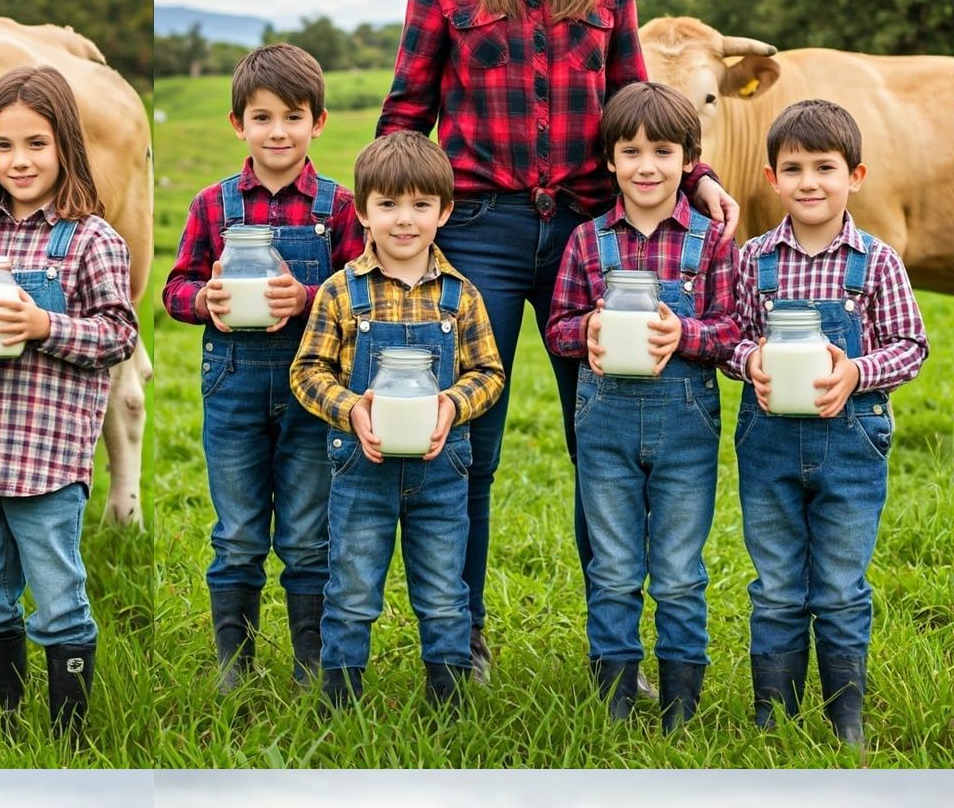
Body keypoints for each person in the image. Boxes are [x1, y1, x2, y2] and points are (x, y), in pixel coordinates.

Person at [377, 0, 737, 678]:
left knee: (605, 441)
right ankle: (458, 638)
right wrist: (382, 216)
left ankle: (618, 649)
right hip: (478, 231)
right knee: (469, 439)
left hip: (591, 236)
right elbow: (407, 106)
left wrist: (693, 174)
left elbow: (634, 97)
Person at [161, 44, 364, 688]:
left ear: (318, 123)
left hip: (314, 384)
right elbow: (174, 288)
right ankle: (235, 666)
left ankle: (311, 665)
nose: (279, 132)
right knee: (239, 533)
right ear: (238, 124)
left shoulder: (339, 208)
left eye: (293, 117)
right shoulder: (212, 206)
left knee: (307, 534)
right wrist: (205, 300)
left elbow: (362, 294)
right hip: (234, 381)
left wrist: (308, 298)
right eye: (263, 117)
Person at [0, 67, 140, 737]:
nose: (19, 161)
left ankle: (67, 734)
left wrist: (43, 325)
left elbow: (118, 335)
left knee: (57, 597)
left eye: (36, 143)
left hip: (47, 459)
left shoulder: (91, 240)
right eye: (3, 146)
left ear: (66, 148)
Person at [728, 99, 927, 748]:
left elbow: (911, 345)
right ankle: (773, 720)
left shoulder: (878, 261)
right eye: (793, 169)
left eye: (825, 167)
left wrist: (857, 372)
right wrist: (749, 360)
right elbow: (729, 338)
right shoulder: (753, 259)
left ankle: (846, 721)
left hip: (851, 443)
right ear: (771, 178)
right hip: (769, 444)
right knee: (776, 587)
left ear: (855, 177)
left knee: (840, 588)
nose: (809, 182)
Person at [546, 81, 740, 729]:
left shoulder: (710, 242)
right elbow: (558, 328)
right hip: (605, 427)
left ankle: (681, 706)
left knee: (680, 571)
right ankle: (617, 699)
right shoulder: (586, 240)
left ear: (690, 161)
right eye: (631, 152)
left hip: (685, 426)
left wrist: (682, 333)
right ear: (609, 160)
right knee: (614, 568)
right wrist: (589, 330)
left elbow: (731, 333)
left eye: (663, 152)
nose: (647, 167)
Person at [290, 131, 503, 709]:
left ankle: (448, 701)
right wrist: (350, 407)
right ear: (362, 212)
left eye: (420, 205)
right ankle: (341, 701)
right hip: (362, 471)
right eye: (387, 204)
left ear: (444, 212)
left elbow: (489, 372)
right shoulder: (340, 293)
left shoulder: (461, 296)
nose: (404, 220)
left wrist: (452, 404)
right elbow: (307, 371)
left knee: (444, 592)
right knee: (352, 588)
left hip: (440, 473)